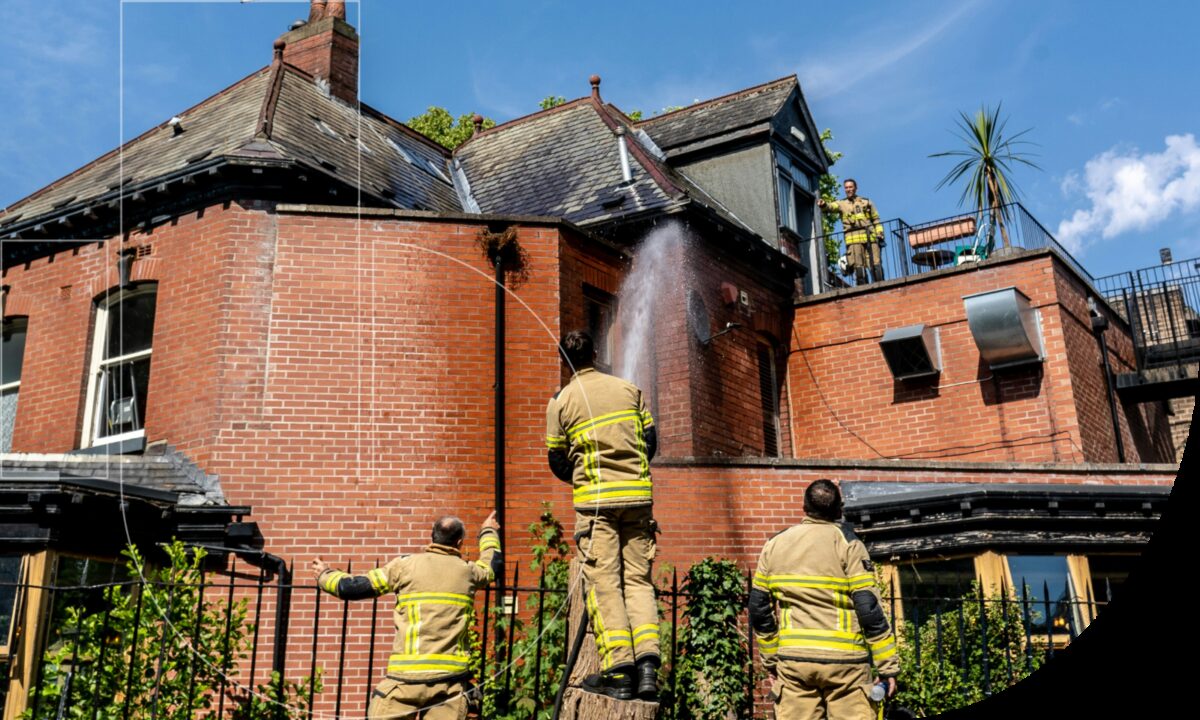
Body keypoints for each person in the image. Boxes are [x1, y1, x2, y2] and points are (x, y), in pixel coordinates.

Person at [545, 330, 660, 701]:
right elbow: (651, 442)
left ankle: (620, 670)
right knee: (639, 582)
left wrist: (584, 476)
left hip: (596, 507)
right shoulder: (629, 389)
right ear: (595, 352)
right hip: (639, 500)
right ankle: (647, 669)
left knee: (605, 584)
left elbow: (557, 461)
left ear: (565, 360)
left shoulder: (561, 401)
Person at [311, 512, 503, 720]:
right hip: (449, 685)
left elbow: (353, 588)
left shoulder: (404, 566)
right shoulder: (468, 572)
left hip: (404, 683)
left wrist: (325, 575)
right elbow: (493, 566)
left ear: (432, 537)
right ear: (459, 542)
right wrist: (488, 531)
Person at [749, 479, 899, 719]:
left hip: (795, 661)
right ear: (839, 509)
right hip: (846, 664)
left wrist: (771, 661)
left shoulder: (774, 544)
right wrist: (887, 666)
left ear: (804, 507)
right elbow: (868, 608)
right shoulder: (848, 543)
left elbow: (758, 609)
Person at [819, 179, 886, 285]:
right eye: (846, 187)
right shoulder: (841, 204)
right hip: (854, 241)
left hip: (870, 238)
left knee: (875, 265)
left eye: (850, 187)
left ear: (855, 188)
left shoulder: (866, 202)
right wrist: (824, 205)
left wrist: (880, 233)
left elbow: (876, 220)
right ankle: (863, 292)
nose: (848, 189)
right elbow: (831, 207)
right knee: (859, 268)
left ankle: (882, 287)